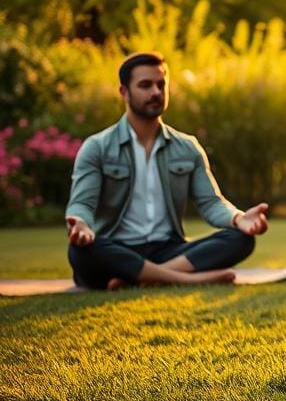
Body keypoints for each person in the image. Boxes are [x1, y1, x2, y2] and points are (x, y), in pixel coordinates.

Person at [65, 52, 269, 290]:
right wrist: (80, 225)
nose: (156, 92)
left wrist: (239, 218)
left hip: (169, 250)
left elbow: (211, 203)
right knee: (81, 251)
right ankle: (186, 278)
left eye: (161, 85)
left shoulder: (187, 147)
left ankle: (143, 278)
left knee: (240, 239)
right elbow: (82, 204)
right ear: (124, 92)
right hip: (117, 250)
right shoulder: (97, 147)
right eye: (145, 85)